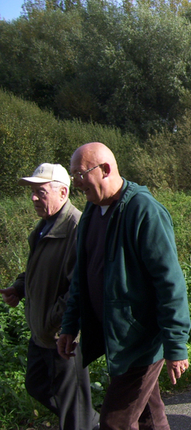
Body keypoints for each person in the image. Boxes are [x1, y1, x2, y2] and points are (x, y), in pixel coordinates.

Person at [57, 142, 191, 429]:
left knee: (114, 423)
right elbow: (81, 275)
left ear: (104, 169)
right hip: (118, 339)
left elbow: (169, 282)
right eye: (73, 176)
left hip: (141, 341)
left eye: (80, 175)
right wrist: (70, 324)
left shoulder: (143, 210)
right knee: (150, 418)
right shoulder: (93, 212)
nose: (77, 183)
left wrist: (176, 344)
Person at [0, 163, 99, 430]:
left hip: (62, 336)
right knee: (36, 385)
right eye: (32, 191)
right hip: (41, 331)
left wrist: (56, 322)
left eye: (40, 191)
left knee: (72, 407)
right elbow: (37, 268)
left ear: (63, 192)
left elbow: (80, 286)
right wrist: (19, 288)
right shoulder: (44, 227)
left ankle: (85, 423)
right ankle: (91, 423)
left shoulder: (77, 227)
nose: (33, 197)